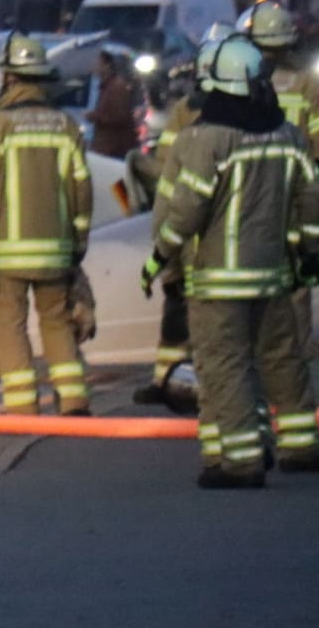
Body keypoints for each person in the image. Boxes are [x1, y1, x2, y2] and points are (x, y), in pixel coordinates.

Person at [142, 34, 319, 489]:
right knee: (283, 359)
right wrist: (308, 255)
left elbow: (186, 210)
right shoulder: (287, 134)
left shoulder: (206, 139)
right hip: (275, 275)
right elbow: (309, 202)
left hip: (218, 281)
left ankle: (240, 459)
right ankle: (302, 446)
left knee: (225, 366)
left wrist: (162, 256)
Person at [0, 31, 94, 416]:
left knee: (11, 325)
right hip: (56, 251)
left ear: (9, 78)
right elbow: (82, 189)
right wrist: (78, 241)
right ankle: (73, 398)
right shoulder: (67, 126)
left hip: (6, 255)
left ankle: (21, 407)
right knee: (56, 322)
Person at [130, 21, 235, 413]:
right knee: (187, 314)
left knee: (190, 312)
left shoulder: (186, 114)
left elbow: (168, 180)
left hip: (193, 235)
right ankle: (170, 379)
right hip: (226, 236)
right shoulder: (257, 115)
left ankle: (185, 383)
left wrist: (163, 245)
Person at [236, 0, 319, 360]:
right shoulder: (307, 84)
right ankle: (295, 361)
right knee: (296, 283)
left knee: (251, 279)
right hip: (295, 195)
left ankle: (257, 358)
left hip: (251, 195)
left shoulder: (239, 82)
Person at [85, 50, 138, 159]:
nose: (93, 66)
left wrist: (94, 116)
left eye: (97, 63)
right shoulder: (105, 87)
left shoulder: (116, 87)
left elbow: (119, 117)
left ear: (106, 65)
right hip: (105, 149)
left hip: (113, 151)